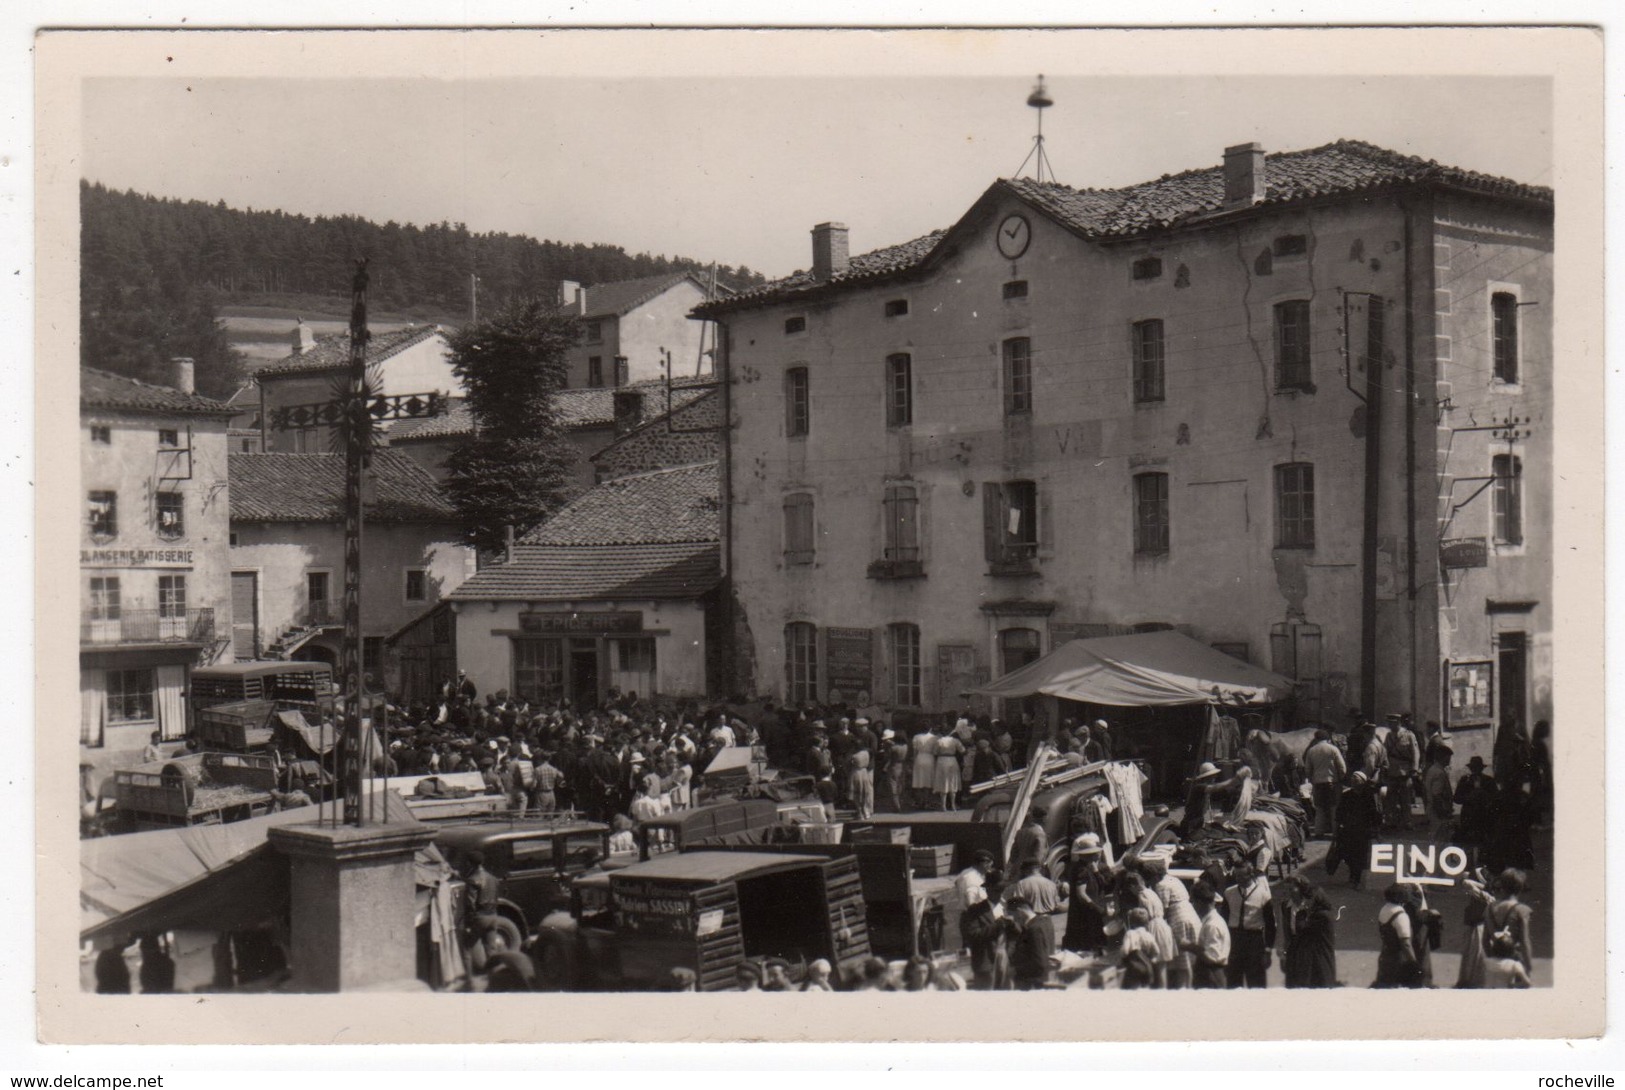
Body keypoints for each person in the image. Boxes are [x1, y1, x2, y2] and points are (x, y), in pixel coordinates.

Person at [1325, 771, 1381, 888]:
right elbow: (1339, 814)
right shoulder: (1346, 795)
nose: (1353, 781)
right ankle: (1353, 876)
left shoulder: (1368, 796)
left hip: (1363, 832)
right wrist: (1336, 831)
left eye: (1356, 779)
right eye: (1352, 779)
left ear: (1363, 781)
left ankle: (1357, 878)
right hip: (1348, 831)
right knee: (1349, 855)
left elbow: (1374, 814)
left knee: (1360, 855)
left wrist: (1376, 830)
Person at [1280, 874, 1338, 988]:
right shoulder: (1285, 906)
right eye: (1286, 889)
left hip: (1311, 953)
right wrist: (1284, 955)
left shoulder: (1312, 908)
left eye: (1291, 889)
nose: (1288, 893)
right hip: (1294, 951)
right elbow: (1287, 933)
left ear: (1301, 889)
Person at [1225, 858, 1275, 989]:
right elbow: (1224, 919)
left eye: (1241, 875)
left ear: (1251, 874)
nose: (1238, 878)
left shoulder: (1263, 895)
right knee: (1233, 982)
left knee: (1256, 983)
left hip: (1254, 941)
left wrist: (1268, 950)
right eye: (1236, 875)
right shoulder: (1229, 893)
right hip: (1234, 940)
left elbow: (1271, 925)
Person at [1061, 833, 1112, 954]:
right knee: (1086, 944)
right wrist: (1097, 909)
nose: (1098, 854)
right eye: (1095, 853)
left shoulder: (1089, 867)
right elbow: (1082, 894)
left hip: (1089, 911)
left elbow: (1103, 885)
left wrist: (1096, 872)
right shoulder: (1081, 870)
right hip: (1084, 912)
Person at [1483, 868, 1535, 982]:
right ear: (1520, 888)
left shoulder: (1489, 909)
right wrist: (1528, 967)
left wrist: (1491, 958)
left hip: (1495, 960)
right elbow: (1525, 941)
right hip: (1515, 961)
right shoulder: (1521, 910)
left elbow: (1485, 940)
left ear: (1502, 886)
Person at [1374, 883, 1422, 988]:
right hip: (1398, 961)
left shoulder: (1384, 909)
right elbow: (1406, 944)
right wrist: (1414, 964)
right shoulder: (1401, 916)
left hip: (1385, 956)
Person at [1454, 756, 1498, 868]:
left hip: (1484, 816)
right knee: (1469, 842)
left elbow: (1496, 799)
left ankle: (1482, 866)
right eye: (1474, 768)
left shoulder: (1488, 781)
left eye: (1477, 768)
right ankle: (1470, 865)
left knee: (1483, 842)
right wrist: (1469, 797)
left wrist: (1482, 795)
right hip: (1469, 816)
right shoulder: (1465, 780)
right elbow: (1457, 798)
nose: (1475, 770)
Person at [1006, 895, 1056, 990]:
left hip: (1032, 983)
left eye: (1012, 916)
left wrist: (1015, 969)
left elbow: (1039, 962)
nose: (1014, 921)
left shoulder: (1034, 929)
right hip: (1038, 981)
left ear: (1019, 911)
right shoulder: (1043, 922)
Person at [1304, 729, 1346, 839]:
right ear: (1327, 738)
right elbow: (1342, 767)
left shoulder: (1311, 750)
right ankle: (1335, 832)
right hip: (1332, 782)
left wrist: (1312, 779)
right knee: (1334, 807)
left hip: (1318, 783)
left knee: (1319, 808)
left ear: (1316, 738)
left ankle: (1319, 832)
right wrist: (1340, 778)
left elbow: (1308, 769)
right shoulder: (1333, 749)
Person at [1383, 714, 1421, 829]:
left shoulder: (1409, 735)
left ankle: (1407, 821)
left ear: (1398, 722)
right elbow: (1386, 752)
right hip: (1392, 771)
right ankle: (1391, 821)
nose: (1390, 725)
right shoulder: (1389, 736)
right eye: (1389, 723)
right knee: (1391, 798)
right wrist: (1385, 766)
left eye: (1392, 722)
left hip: (1405, 771)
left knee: (1406, 798)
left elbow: (1415, 753)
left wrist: (1414, 769)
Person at [1190, 886, 1230, 989]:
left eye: (1194, 902)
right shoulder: (1210, 921)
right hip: (1209, 974)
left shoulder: (1212, 925)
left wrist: (1190, 947)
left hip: (1211, 975)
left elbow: (1212, 958)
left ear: (1199, 902)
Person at [1422, 742, 1455, 844]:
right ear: (1443, 757)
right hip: (1438, 811)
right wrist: (1443, 812)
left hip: (1432, 808)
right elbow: (1437, 794)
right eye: (1448, 757)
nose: (1449, 760)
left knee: (1435, 837)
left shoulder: (1432, 769)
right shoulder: (1439, 773)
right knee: (1440, 840)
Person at [1119, 907, 1160, 989]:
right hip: (1147, 968)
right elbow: (1157, 952)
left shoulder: (1130, 934)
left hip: (1133, 969)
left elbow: (1125, 952)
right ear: (1147, 923)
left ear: (1132, 922)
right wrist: (1151, 961)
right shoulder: (1149, 936)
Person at [933, 727, 965, 810]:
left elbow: (935, 752)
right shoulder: (955, 740)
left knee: (943, 781)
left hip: (942, 760)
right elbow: (963, 750)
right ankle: (953, 805)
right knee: (952, 781)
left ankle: (943, 805)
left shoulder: (939, 741)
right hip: (952, 760)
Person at [910, 724, 938, 810]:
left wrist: (914, 761)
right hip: (930, 758)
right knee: (928, 781)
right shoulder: (934, 737)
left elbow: (914, 751)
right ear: (930, 728)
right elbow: (935, 751)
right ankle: (927, 802)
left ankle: (920, 802)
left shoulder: (916, 737)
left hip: (919, 758)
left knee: (919, 781)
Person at [848, 745, 875, 820]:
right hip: (864, 772)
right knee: (864, 793)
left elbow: (848, 764)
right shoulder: (866, 753)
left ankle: (859, 812)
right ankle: (865, 811)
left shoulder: (854, 756)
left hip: (856, 773)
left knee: (856, 794)